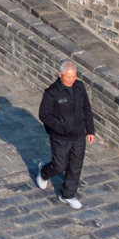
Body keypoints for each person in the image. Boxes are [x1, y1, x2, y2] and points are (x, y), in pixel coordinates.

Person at [36, 61, 95, 210]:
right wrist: (60, 126)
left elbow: (87, 109)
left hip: (79, 134)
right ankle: (44, 172)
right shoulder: (52, 93)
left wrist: (90, 130)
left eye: (74, 76)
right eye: (68, 77)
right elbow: (44, 114)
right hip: (60, 137)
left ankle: (67, 195)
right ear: (60, 75)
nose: (71, 80)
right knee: (59, 165)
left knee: (76, 165)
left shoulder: (79, 87)